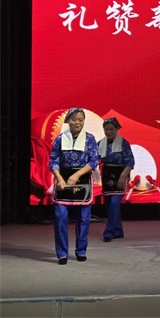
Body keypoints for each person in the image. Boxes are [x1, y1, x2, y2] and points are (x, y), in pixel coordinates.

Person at [49, 107, 99, 265]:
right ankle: (62, 253)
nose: (77, 122)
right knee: (60, 217)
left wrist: (76, 175)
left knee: (83, 219)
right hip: (63, 181)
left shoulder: (89, 139)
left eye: (80, 120)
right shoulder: (60, 139)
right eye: (74, 119)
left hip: (82, 180)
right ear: (68, 121)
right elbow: (53, 160)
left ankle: (81, 250)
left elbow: (94, 161)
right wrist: (59, 178)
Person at [98, 117, 135, 242]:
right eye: (106, 129)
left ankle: (108, 232)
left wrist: (122, 177)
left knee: (114, 203)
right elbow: (94, 158)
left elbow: (130, 162)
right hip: (107, 176)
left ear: (117, 129)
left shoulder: (124, 143)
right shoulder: (100, 143)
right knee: (109, 205)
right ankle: (118, 230)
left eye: (111, 129)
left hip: (120, 175)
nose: (108, 132)